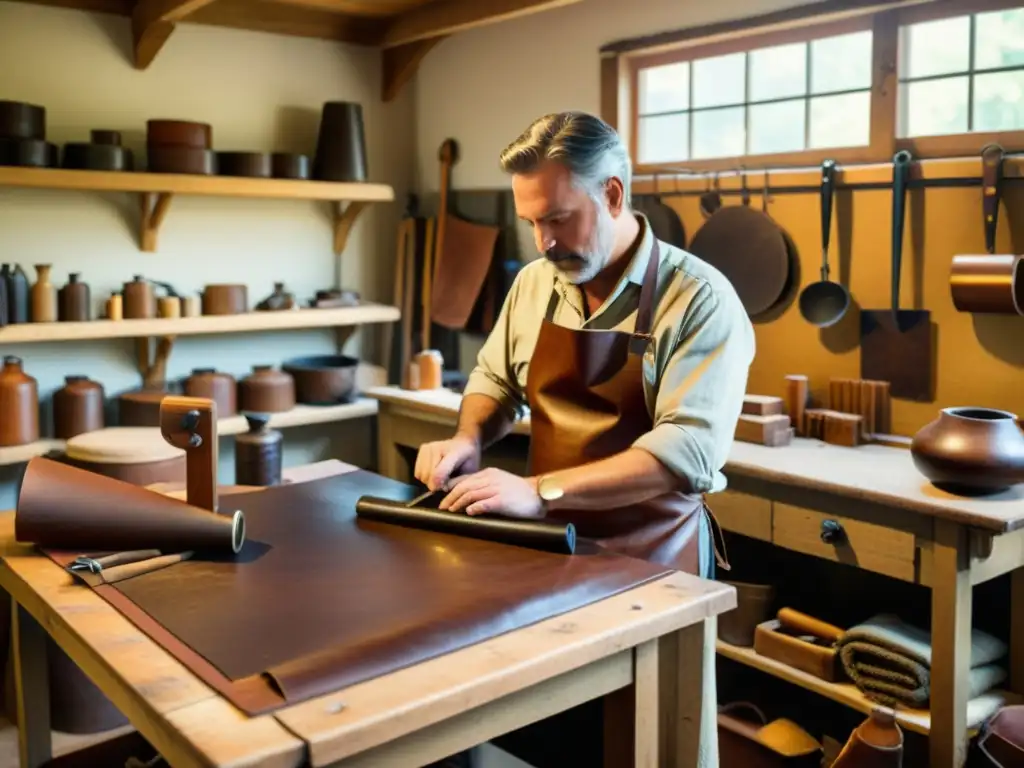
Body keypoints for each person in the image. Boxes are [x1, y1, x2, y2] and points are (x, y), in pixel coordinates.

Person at [414, 111, 755, 767]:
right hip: (552, 551)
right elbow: (494, 378)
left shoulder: (700, 300)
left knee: (650, 743)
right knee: (559, 735)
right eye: (532, 222)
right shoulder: (535, 282)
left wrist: (540, 490)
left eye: (560, 218)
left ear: (614, 195)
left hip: (653, 561)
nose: (543, 241)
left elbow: (687, 454)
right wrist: (468, 438)